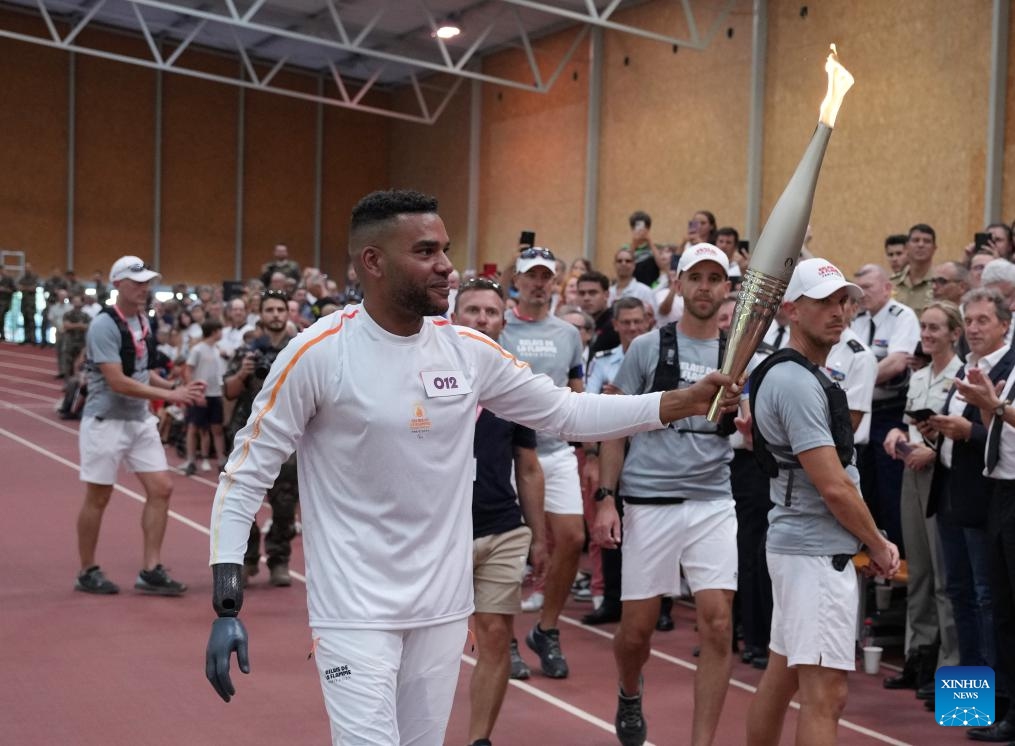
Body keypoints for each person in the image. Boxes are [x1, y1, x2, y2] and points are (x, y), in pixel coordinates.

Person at [203, 190, 741, 746]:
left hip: (441, 608)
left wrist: (681, 401)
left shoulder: (467, 351)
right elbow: (244, 476)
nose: (446, 265)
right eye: (426, 251)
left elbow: (568, 411)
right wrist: (226, 598)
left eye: (446, 249)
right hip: (354, 613)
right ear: (374, 262)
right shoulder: (317, 353)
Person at [745, 258, 900, 746]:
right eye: (824, 302)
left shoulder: (799, 374)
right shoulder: (795, 382)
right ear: (792, 309)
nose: (839, 312)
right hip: (814, 554)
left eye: (842, 301)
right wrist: (876, 543)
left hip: (804, 548)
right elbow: (833, 486)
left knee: (781, 676)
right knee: (826, 695)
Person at [594, 243, 738, 746]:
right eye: (694, 276)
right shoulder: (648, 348)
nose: (703, 286)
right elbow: (615, 426)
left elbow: (754, 433)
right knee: (637, 632)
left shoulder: (740, 353)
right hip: (650, 501)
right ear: (677, 284)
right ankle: (629, 690)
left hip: (712, 502)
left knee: (719, 626)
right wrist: (606, 497)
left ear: (726, 289)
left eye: (713, 278)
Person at [451, 277, 548, 746]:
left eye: (491, 312)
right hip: (440, 533)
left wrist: (540, 536)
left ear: (503, 320)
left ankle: (479, 739)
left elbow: (528, 466)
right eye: (472, 311)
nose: (482, 319)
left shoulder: (515, 384)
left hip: (502, 529)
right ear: (453, 318)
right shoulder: (427, 374)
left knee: (493, 636)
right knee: (429, 645)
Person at [74, 255, 205, 596]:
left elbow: (141, 372)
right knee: (99, 496)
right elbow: (117, 381)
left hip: (138, 419)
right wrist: (172, 395)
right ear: (118, 285)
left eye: (147, 282)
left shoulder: (144, 322)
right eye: (137, 283)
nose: (145, 288)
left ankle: (150, 569)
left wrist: (179, 390)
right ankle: (87, 570)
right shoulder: (104, 325)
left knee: (162, 488)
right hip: (106, 420)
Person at [499, 247, 588, 677]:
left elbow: (577, 390)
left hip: (555, 451)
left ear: (554, 282)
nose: (538, 283)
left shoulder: (568, 334)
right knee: (513, 549)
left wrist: (589, 447)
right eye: (530, 276)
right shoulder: (500, 327)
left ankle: (546, 629)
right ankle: (508, 638)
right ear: (516, 279)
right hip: (510, 455)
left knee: (572, 538)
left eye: (545, 277)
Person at [881, 302, 963, 698]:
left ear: (954, 333)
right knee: (920, 575)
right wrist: (897, 435)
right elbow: (911, 421)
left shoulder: (962, 376)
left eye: (936, 328)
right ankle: (919, 659)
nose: (927, 334)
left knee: (950, 583)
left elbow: (969, 430)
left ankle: (952, 677)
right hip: (911, 474)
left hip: (945, 480)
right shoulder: (920, 374)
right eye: (924, 327)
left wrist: (937, 446)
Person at [953, 332, 1015, 743]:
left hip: (998, 488)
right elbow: (994, 428)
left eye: (982, 320)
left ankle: (979, 702)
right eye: (967, 320)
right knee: (961, 593)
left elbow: (988, 426)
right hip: (972, 489)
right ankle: (972, 702)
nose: (972, 328)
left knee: (984, 599)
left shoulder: (999, 368)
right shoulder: (982, 370)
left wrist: (991, 406)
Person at [221, 290, 298, 587]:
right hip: (248, 437)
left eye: (281, 309)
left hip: (287, 438)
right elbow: (228, 391)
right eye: (270, 310)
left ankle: (280, 560)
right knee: (244, 504)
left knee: (284, 506)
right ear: (261, 315)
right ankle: (249, 559)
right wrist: (242, 373)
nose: (276, 314)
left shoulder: (299, 349)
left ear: (287, 314)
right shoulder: (247, 351)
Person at [851, 263, 920, 551]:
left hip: (890, 412)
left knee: (889, 489)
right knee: (864, 487)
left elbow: (897, 362)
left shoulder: (902, 316)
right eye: (860, 288)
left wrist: (859, 382)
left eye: (868, 287)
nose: (863, 294)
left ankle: (898, 562)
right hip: (859, 412)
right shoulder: (857, 319)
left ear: (887, 287)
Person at [179, 318, 227, 475]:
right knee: (194, 427)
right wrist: (193, 390)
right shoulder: (198, 349)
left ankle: (221, 460)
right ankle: (191, 460)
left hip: (215, 394)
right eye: (220, 330)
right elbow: (187, 370)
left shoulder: (217, 349)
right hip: (200, 394)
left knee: (217, 428)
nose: (222, 333)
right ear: (214, 331)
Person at [892, 223, 937, 314]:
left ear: (934, 248)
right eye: (915, 240)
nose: (921, 245)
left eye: (927, 241)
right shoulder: (892, 283)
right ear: (906, 247)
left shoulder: (939, 284)